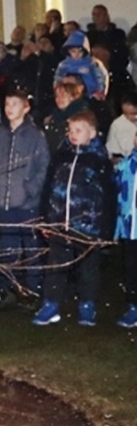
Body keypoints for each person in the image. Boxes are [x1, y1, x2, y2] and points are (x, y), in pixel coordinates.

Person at [32, 110, 116, 327]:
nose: (73, 134)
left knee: (88, 268)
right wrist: (45, 218)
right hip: (59, 222)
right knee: (56, 266)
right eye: (70, 130)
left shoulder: (99, 161)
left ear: (92, 133)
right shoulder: (61, 156)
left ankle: (87, 305)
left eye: (79, 130)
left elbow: (109, 197)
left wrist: (106, 230)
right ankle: (51, 305)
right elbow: (48, 187)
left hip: (88, 225)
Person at [0, 89, 50, 300]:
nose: (9, 108)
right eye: (7, 104)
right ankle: (8, 287)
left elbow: (43, 166)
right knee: (8, 246)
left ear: (26, 108)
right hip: (4, 201)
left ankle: (33, 288)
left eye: (14, 104)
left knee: (31, 247)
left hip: (27, 203)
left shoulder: (35, 136)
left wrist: (31, 189)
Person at [114, 130, 137, 328]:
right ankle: (133, 305)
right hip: (130, 229)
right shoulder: (127, 164)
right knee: (131, 268)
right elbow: (118, 195)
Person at [106, 92, 137, 163]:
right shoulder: (117, 125)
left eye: (134, 113)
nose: (130, 117)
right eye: (126, 114)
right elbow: (112, 152)